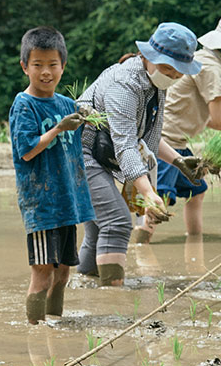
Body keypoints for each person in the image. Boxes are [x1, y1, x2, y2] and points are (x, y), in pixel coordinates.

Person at [76, 22, 203, 286]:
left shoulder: (156, 84)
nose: (173, 76)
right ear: (148, 56)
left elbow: (147, 140)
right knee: (117, 221)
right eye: (168, 68)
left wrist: (179, 161)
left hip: (101, 156)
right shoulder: (125, 84)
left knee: (99, 228)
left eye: (180, 72)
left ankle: (85, 289)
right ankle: (114, 298)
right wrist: (148, 193)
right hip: (79, 153)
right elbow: (125, 145)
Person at [9, 27, 95, 324]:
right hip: (42, 203)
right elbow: (27, 151)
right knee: (43, 270)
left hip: (68, 201)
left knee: (63, 271)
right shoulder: (24, 105)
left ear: (63, 66)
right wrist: (58, 129)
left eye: (52, 65)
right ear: (25, 67)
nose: (46, 72)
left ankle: (55, 325)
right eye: (37, 65)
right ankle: (35, 330)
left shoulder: (67, 105)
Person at [130, 17, 221, 243]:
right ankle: (140, 250)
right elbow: (219, 119)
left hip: (175, 140)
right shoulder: (211, 69)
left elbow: (203, 117)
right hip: (166, 141)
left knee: (196, 191)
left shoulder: (201, 60)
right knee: (157, 202)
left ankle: (194, 242)